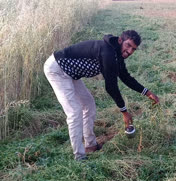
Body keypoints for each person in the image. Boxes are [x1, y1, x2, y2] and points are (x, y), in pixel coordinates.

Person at [43, 30, 159, 161]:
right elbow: (111, 87)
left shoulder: (117, 54)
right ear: (120, 40)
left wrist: (148, 93)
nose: (130, 51)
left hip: (71, 74)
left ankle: (90, 145)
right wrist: (124, 112)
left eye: (133, 49)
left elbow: (125, 77)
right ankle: (80, 157)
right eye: (128, 45)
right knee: (75, 112)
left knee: (89, 104)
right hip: (57, 69)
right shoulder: (107, 52)